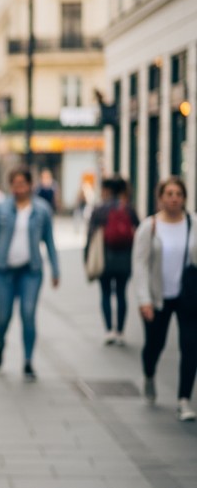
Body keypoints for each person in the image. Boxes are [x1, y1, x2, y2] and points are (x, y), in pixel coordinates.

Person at [0, 167, 60, 381]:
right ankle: (0, 342)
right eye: (15, 184)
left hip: (30, 271)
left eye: (22, 184)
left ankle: (27, 361)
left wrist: (55, 269)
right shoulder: (0, 209)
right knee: (3, 317)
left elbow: (50, 241)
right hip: (2, 271)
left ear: (30, 185)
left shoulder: (41, 210)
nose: (19, 189)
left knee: (28, 313)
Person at [132, 176, 197, 422]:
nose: (174, 198)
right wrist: (143, 299)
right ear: (160, 198)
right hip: (158, 297)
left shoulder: (193, 224)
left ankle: (184, 400)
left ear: (184, 198)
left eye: (178, 194)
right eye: (169, 194)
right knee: (154, 346)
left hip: (188, 297)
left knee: (190, 347)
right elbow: (140, 265)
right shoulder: (150, 227)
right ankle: (149, 374)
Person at [85, 176, 138, 345]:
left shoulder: (100, 209)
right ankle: (121, 331)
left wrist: (87, 258)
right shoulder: (129, 209)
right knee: (122, 294)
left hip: (104, 257)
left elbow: (90, 236)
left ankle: (109, 331)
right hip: (124, 258)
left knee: (106, 293)